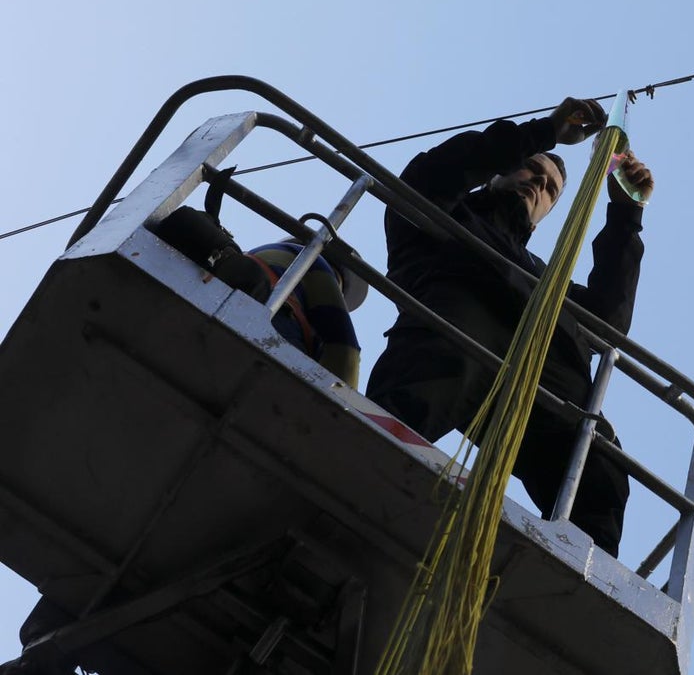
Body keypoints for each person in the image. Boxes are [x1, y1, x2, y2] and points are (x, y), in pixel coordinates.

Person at [365, 96, 655, 558]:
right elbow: (428, 177)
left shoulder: (549, 279)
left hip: (542, 376)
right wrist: (543, 133)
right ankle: (367, 462)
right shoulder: (445, 215)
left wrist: (625, 214)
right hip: (455, 334)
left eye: (551, 188)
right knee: (444, 363)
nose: (538, 183)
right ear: (500, 172)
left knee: (595, 453)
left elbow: (606, 324)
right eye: (531, 170)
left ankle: (581, 566)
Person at [153, 209, 364, 388]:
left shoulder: (257, 255)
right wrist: (345, 402)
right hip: (271, 326)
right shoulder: (316, 263)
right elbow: (344, 348)